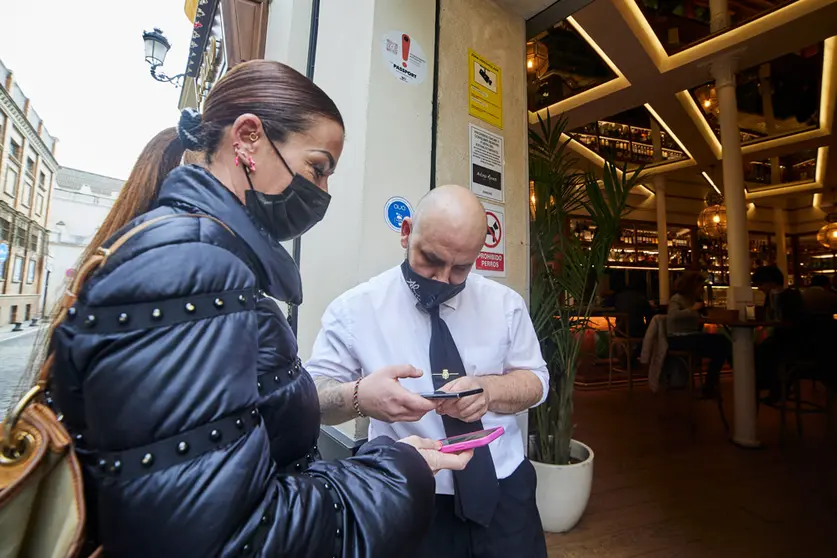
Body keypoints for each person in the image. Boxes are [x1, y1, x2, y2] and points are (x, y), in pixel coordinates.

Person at [39, 60, 471, 557]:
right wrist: (398, 468)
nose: (322, 193)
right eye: (317, 168)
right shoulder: (191, 268)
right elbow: (225, 535)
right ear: (247, 138)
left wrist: (356, 402)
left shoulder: (201, 259)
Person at [307, 184, 549, 558]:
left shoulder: (505, 305)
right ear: (406, 232)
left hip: (505, 490)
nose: (442, 279)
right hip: (410, 493)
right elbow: (312, 399)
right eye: (431, 259)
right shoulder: (355, 310)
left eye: (461, 269)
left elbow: (536, 381)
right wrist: (360, 397)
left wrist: (489, 391)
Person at [666, 271, 732, 398]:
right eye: (700, 287)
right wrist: (693, 309)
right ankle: (711, 384)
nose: (702, 290)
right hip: (678, 338)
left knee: (721, 348)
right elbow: (672, 316)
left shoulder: (693, 300)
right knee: (722, 343)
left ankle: (710, 384)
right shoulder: (677, 299)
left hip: (690, 336)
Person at [752, 265, 806, 403]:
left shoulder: (790, 296)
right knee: (758, 349)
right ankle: (775, 387)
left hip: (793, 341)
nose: (759, 288)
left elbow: (791, 322)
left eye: (761, 284)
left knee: (764, 350)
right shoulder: (770, 297)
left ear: (772, 282)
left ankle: (773, 386)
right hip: (782, 338)